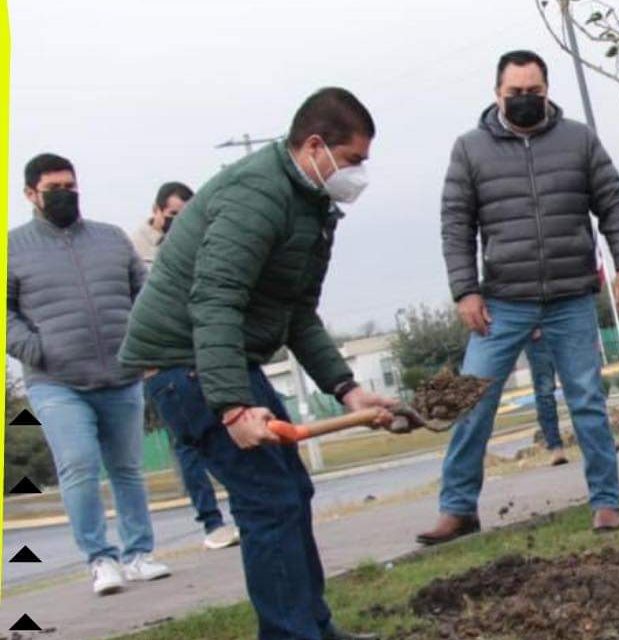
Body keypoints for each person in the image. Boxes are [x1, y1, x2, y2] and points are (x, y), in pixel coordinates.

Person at [120, 88, 394, 640]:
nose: (359, 174)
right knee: (268, 500)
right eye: (354, 160)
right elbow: (214, 299)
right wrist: (232, 406)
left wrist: (346, 389)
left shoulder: (309, 204)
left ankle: (313, 628)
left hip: (217, 361)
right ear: (315, 147)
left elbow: (297, 314)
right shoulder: (258, 197)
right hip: (187, 365)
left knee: (291, 492)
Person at [425, 49, 619, 545]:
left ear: (547, 90)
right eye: (515, 94)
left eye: (534, 93)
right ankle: (457, 508)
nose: (525, 100)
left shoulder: (579, 140)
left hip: (571, 296)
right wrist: (465, 290)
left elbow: (614, 202)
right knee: (471, 402)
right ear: (496, 93)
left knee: (587, 399)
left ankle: (606, 499)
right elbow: (456, 225)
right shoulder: (469, 149)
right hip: (502, 301)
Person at [8, 153, 171, 596]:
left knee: (127, 469)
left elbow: (144, 293)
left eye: (71, 186)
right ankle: (100, 560)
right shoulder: (13, 248)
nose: (65, 195)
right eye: (54, 189)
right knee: (79, 464)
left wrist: (141, 342)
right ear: (31, 195)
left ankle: (139, 554)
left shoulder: (111, 239)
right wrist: (37, 349)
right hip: (56, 383)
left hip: (121, 375)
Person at [129, 181, 241, 551]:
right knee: (187, 444)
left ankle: (245, 511)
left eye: (187, 216)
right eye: (174, 215)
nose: (180, 222)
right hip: (163, 364)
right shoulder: (136, 250)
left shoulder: (200, 243)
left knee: (231, 432)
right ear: (158, 211)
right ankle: (212, 522)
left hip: (202, 353)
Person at [524, 329, 568, 466]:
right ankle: (555, 447)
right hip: (538, 334)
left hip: (566, 324)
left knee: (581, 385)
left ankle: (600, 438)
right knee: (545, 392)